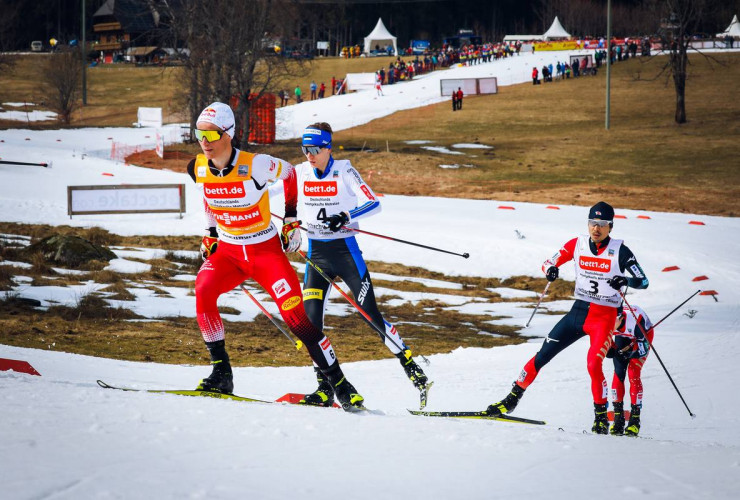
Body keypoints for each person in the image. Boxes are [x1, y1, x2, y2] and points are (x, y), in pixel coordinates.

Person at [185, 103, 364, 411]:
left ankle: (340, 383)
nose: (205, 141)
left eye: (211, 134)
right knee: (202, 290)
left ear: (228, 134)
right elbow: (207, 193)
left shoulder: (256, 164)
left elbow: (291, 173)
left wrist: (291, 220)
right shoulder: (197, 166)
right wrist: (211, 233)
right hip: (229, 253)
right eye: (200, 134)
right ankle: (221, 372)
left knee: (298, 321)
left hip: (264, 253)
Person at [293, 122, 430, 407]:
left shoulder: (344, 170)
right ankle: (324, 387)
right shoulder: (300, 172)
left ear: (327, 147)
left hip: (345, 254)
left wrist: (345, 215)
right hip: (316, 256)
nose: (309, 155)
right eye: (305, 149)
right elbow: (274, 196)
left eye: (314, 149)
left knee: (370, 315)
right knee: (310, 324)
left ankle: (409, 365)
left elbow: (373, 202)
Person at [485, 201, 649, 434]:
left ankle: (601, 418)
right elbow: (548, 262)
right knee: (543, 354)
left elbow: (643, 281)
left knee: (593, 364)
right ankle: (510, 399)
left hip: (604, 317)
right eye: (593, 223)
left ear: (610, 227)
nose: (596, 229)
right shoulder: (577, 244)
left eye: (602, 225)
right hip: (578, 312)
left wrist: (625, 280)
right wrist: (550, 270)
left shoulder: (621, 251)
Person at [607, 304, 653, 436]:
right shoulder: (609, 322)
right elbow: (606, 343)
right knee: (618, 371)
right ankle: (618, 418)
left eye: (612, 321)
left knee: (633, 372)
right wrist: (611, 349)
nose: (609, 324)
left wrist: (630, 354)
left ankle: (634, 420)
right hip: (623, 335)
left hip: (643, 335)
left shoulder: (635, 320)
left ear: (620, 318)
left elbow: (642, 349)